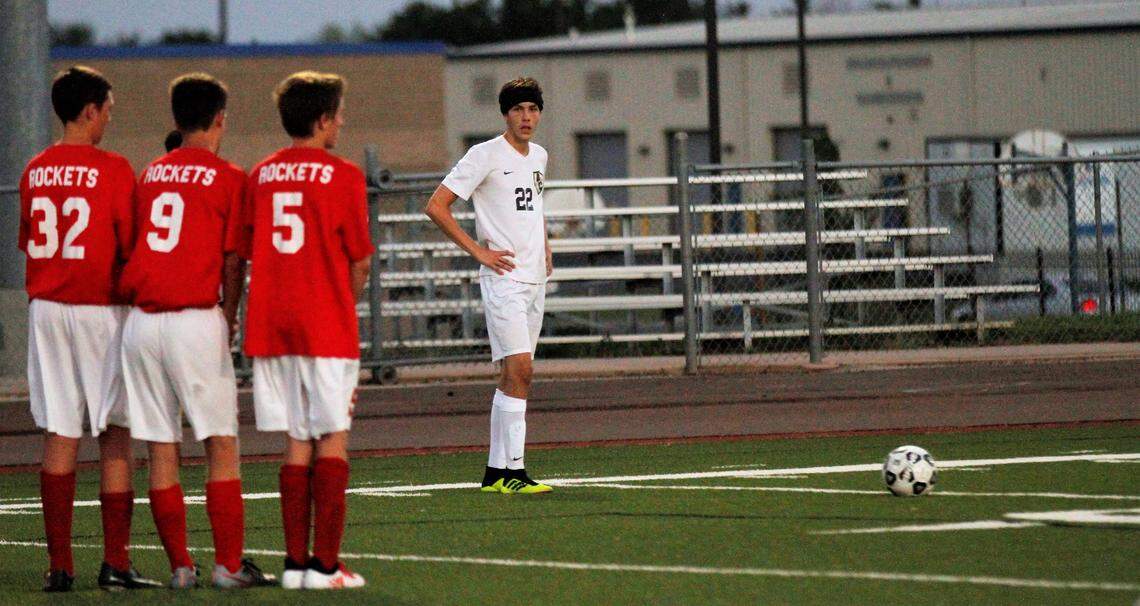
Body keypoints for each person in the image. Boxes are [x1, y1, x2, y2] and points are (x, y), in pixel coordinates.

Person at [119, 73, 275, 589]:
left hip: (141, 323)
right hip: (193, 318)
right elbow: (233, 261)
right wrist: (228, 318)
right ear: (219, 120)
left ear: (176, 119)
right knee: (219, 443)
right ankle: (228, 565)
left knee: (161, 448)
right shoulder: (230, 177)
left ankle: (181, 567)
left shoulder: (149, 174)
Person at [18, 65, 160, 592]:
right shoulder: (114, 167)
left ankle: (59, 567)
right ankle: (115, 563)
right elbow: (130, 246)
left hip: (48, 307)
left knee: (60, 431)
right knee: (114, 433)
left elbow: (29, 239)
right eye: (107, 111)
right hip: (100, 305)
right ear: (90, 110)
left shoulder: (35, 169)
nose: (107, 121)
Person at [241, 71, 372, 590]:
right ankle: (324, 566)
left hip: (272, 325)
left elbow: (248, 251)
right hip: (324, 324)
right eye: (337, 113)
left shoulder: (261, 174)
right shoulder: (343, 176)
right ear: (321, 120)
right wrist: (344, 298)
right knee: (332, 438)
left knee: (296, 441)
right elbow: (359, 261)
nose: (341, 121)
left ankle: (295, 565)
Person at [425, 77, 553, 495]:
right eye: (518, 109)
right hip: (504, 278)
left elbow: (534, 208)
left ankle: (496, 471)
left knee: (511, 376)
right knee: (521, 370)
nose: (526, 117)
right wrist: (478, 252)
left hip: (534, 277)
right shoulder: (484, 154)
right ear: (505, 114)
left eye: (532, 109)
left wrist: (546, 248)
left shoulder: (539, 156)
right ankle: (515, 472)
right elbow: (437, 205)